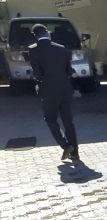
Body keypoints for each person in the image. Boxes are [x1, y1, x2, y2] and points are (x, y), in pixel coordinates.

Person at [29, 23, 79, 160]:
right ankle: (75, 152)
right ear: (46, 33)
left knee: (50, 119)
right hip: (64, 88)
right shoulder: (61, 48)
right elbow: (69, 71)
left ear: (35, 36)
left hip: (48, 90)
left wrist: (38, 83)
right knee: (68, 121)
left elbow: (37, 74)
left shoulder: (33, 50)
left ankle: (65, 145)